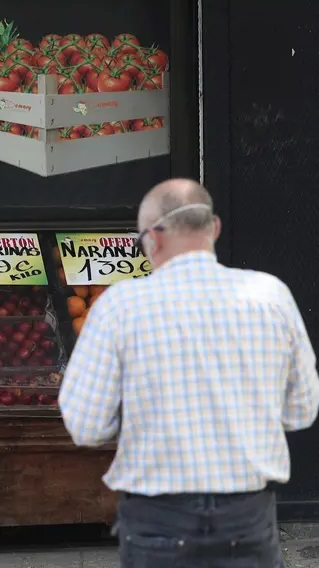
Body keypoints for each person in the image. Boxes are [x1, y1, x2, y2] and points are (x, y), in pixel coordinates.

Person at [60, 178, 319, 568]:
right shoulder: (271, 295)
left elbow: (86, 425)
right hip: (247, 517)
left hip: (157, 520)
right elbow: (302, 411)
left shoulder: (120, 306)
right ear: (213, 228)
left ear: (154, 238)